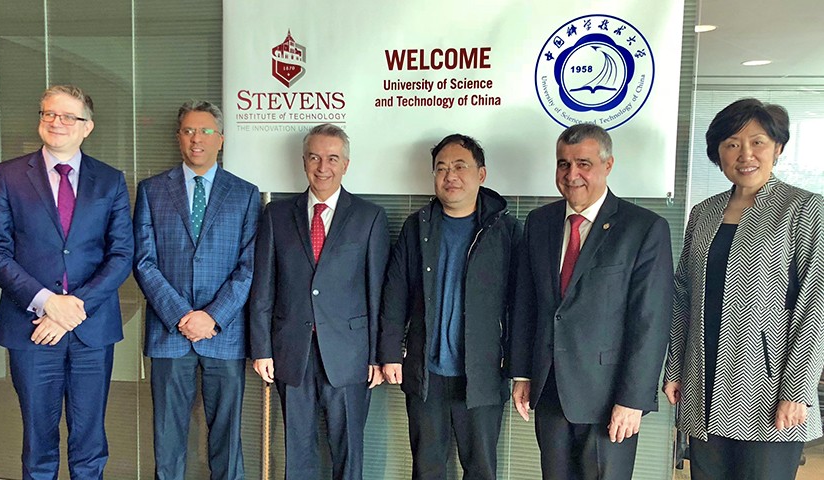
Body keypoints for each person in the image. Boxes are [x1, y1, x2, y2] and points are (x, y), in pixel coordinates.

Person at [663, 98, 824, 480]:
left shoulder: (804, 209)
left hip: (767, 386)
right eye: (732, 144)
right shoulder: (704, 213)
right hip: (703, 382)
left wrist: (797, 389)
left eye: (758, 142)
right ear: (718, 153)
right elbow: (682, 295)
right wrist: (675, 368)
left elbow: (814, 304)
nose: (745, 154)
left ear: (778, 147)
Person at [0, 85, 134, 478]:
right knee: (38, 444)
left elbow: (121, 254)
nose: (57, 122)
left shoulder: (110, 180)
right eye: (49, 113)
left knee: (90, 444)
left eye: (68, 116)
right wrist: (47, 301)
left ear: (87, 127)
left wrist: (73, 308)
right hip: (30, 327)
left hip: (90, 330)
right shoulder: (9, 175)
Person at [509, 123, 673, 480]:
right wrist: (523, 373)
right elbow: (526, 304)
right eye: (563, 164)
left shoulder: (643, 228)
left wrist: (633, 399)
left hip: (609, 398)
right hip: (550, 390)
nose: (572, 174)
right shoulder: (539, 222)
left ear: (608, 165)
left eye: (583, 164)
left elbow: (651, 320)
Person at [249, 123, 390, 480]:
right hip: (291, 352)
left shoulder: (369, 217)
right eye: (314, 158)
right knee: (297, 452)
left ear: (346, 165)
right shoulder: (277, 215)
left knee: (348, 453)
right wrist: (262, 349)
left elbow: (377, 292)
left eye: (332, 158)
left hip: (350, 355)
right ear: (303, 162)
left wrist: (377, 356)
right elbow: (263, 286)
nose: (322, 167)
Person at [379, 134, 521, 479]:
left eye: (460, 166)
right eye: (441, 168)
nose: (450, 176)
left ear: (481, 174)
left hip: (483, 374)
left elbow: (521, 306)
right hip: (426, 373)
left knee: (481, 468)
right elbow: (395, 294)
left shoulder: (506, 230)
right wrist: (390, 353)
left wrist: (518, 367)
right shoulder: (417, 227)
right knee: (427, 467)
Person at [133, 100, 260, 479]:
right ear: (178, 137)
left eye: (206, 131)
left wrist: (213, 316)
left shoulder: (245, 194)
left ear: (221, 139)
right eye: (189, 131)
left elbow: (249, 265)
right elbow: (143, 261)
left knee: (227, 437)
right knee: (168, 436)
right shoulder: (152, 190)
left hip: (224, 333)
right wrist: (181, 315)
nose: (196, 139)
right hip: (169, 332)